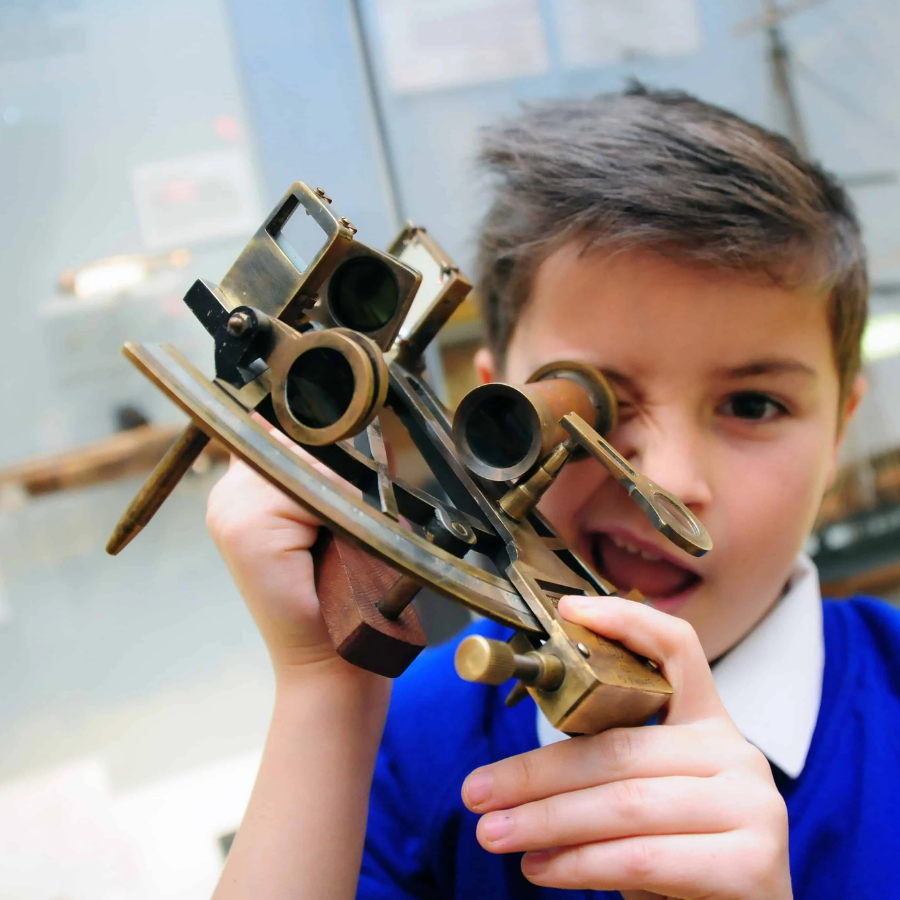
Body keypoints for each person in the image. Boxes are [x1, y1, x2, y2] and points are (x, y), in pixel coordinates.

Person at [207, 86, 900, 899]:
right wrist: (325, 683)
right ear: (486, 414)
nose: (671, 481)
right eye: (581, 405)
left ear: (841, 428)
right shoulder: (411, 739)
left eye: (754, 406)